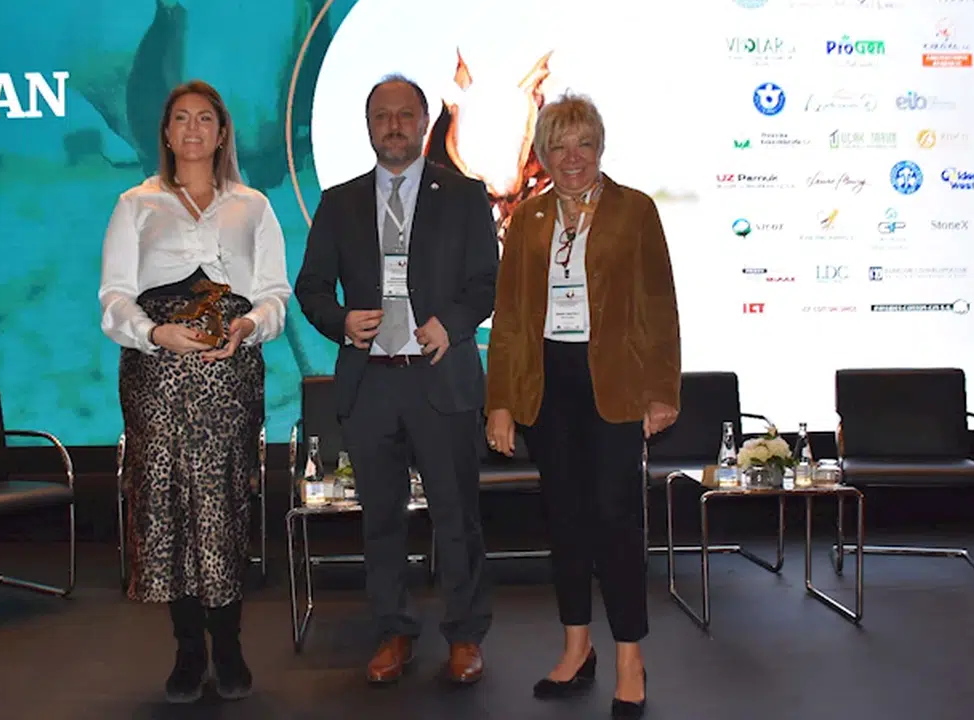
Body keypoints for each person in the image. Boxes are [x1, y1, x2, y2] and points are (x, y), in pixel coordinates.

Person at [294, 74, 498, 686]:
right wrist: (340, 321)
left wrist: (451, 324)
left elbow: (487, 282)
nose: (394, 126)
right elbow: (310, 288)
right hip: (371, 383)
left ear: (424, 122)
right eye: (382, 116)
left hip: (441, 377)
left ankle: (464, 635)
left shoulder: (464, 195)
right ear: (368, 127)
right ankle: (393, 631)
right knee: (380, 520)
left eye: (405, 114)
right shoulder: (340, 202)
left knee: (456, 517)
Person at [484, 92, 681, 719]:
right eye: (559, 146)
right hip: (549, 382)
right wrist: (500, 402)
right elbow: (511, 318)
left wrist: (662, 390)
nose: (573, 157)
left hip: (615, 383)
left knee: (617, 521)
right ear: (543, 154)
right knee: (564, 520)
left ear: (600, 147)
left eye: (584, 144)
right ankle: (576, 648)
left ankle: (629, 658)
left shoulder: (635, 211)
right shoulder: (528, 219)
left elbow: (660, 305)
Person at [98, 80, 291, 704]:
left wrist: (248, 326)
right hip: (156, 373)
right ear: (165, 131)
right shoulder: (135, 204)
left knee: (224, 503)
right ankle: (187, 651)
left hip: (229, 373)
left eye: (204, 118)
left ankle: (228, 646)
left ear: (222, 131)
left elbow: (275, 296)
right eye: (180, 118)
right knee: (168, 509)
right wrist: (155, 333)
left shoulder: (254, 206)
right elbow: (113, 298)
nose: (192, 129)